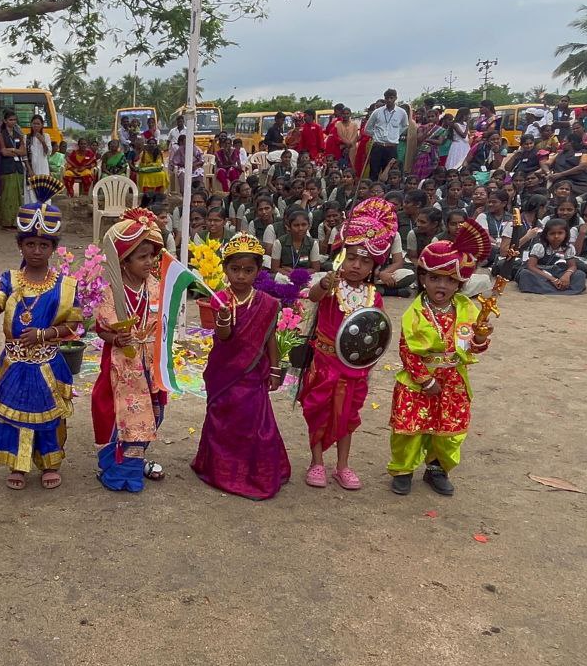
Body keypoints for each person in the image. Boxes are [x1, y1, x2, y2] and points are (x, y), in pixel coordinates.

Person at [0, 176, 79, 490]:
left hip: (47, 363)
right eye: (30, 244)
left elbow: (74, 326)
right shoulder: (8, 280)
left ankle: (49, 463)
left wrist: (43, 335)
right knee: (16, 415)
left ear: (53, 248)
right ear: (20, 245)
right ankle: (18, 465)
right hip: (15, 363)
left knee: (48, 416)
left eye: (43, 245)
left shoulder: (65, 286)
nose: (36, 250)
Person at [387, 222, 493, 496]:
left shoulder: (467, 308)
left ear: (459, 283)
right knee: (409, 430)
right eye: (435, 278)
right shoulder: (415, 312)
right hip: (418, 381)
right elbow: (407, 350)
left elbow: (472, 347)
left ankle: (437, 469)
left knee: (449, 431)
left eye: (450, 280)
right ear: (423, 278)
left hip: (453, 381)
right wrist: (425, 380)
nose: (442, 285)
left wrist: (480, 339)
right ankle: (403, 470)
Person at [299, 202, 395, 489]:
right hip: (324, 364)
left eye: (365, 262)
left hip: (354, 369)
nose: (356, 265)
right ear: (341, 257)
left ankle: (343, 466)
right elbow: (312, 297)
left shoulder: (373, 296)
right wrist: (324, 284)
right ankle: (317, 462)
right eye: (351, 258)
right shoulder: (331, 286)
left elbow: (376, 333)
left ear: (374, 266)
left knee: (347, 416)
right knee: (319, 412)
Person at [190, 233, 289, 499]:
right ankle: (220, 470)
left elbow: (270, 338)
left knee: (255, 423)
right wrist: (223, 318)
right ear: (225, 269)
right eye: (235, 269)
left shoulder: (267, 303)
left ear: (258, 271)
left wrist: (275, 369)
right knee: (222, 419)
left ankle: (256, 472)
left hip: (253, 374)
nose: (241, 276)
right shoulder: (220, 299)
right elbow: (223, 337)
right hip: (224, 373)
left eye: (248, 270)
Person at [92, 208, 167, 492]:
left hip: (149, 364)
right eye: (142, 257)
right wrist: (116, 338)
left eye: (151, 255)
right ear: (124, 261)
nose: (149, 262)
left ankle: (136, 462)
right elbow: (101, 329)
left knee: (151, 414)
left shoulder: (157, 287)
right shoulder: (111, 292)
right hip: (120, 366)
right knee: (116, 415)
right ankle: (117, 470)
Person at [515, 217, 585, 295]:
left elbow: (572, 266)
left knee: (580, 274)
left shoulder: (569, 248)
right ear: (546, 235)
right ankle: (561, 289)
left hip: (558, 272)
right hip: (540, 272)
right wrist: (553, 279)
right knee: (525, 274)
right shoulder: (539, 246)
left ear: (566, 234)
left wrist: (566, 275)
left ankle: (549, 288)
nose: (556, 236)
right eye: (552, 233)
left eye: (560, 233)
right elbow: (531, 266)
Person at [364, 90, 407, 180]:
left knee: (390, 173)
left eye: (391, 98)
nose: (389, 100)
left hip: (392, 147)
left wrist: (395, 135)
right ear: (385, 98)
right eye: (387, 98)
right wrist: (376, 135)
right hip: (378, 146)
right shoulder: (377, 112)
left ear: (395, 98)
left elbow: (405, 125)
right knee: (374, 172)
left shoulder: (401, 112)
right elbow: (367, 129)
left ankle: (387, 189)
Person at [0, 111, 27, 228]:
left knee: (17, 196)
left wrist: (13, 150)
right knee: (7, 196)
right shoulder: (1, 134)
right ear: (5, 121)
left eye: (14, 120)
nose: (13, 122)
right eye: (10, 120)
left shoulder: (18, 134)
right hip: (7, 168)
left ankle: (16, 222)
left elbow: (23, 152)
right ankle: (6, 223)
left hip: (18, 168)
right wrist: (16, 151)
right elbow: (3, 152)